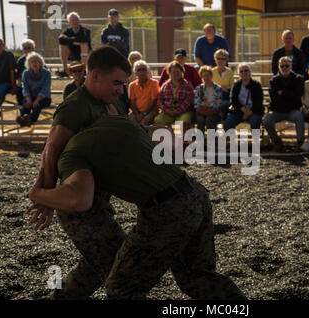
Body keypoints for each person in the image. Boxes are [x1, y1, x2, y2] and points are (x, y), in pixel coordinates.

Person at [27, 115, 247, 300]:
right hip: (195, 193)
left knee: (121, 287)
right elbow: (158, 131)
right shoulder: (116, 125)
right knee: (197, 277)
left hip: (168, 210)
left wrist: (37, 193)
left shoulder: (74, 154)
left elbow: (79, 200)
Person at [26, 46, 131, 299]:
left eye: (124, 84)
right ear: (94, 76)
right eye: (116, 82)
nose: (120, 89)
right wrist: (46, 195)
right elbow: (51, 151)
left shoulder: (110, 101)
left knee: (97, 265)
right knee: (120, 263)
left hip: (99, 199)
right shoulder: (75, 106)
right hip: (80, 204)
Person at [263, 57, 305, 152]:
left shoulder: (298, 79)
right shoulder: (273, 81)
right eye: (282, 66)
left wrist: (283, 92)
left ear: (291, 66)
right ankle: (277, 142)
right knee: (266, 120)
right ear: (278, 67)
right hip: (277, 111)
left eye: (287, 65)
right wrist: (290, 93)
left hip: (292, 111)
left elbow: (298, 95)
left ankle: (300, 143)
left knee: (299, 116)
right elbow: (274, 98)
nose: (284, 68)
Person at [154, 61, 195, 134]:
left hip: (183, 112)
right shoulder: (165, 85)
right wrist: (167, 110)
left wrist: (177, 111)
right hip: (168, 112)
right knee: (157, 121)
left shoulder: (187, 85)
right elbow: (160, 100)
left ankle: (182, 143)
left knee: (184, 122)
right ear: (169, 73)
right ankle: (168, 140)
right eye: (173, 72)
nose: (176, 74)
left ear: (182, 72)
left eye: (178, 71)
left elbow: (189, 100)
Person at [16, 52, 52, 126]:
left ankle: (31, 119)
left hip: (44, 97)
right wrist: (29, 99)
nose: (34, 63)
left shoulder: (47, 73)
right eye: (32, 62)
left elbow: (45, 88)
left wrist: (37, 100)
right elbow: (25, 87)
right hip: (30, 96)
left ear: (40, 62)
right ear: (29, 64)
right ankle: (23, 118)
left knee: (37, 105)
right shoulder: (25, 73)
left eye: (36, 61)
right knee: (26, 104)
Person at [225, 63, 264, 131]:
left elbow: (258, 102)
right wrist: (243, 110)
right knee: (229, 121)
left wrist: (249, 112)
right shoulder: (236, 85)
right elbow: (233, 100)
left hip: (253, 111)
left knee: (255, 121)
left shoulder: (256, 85)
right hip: (239, 111)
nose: (244, 73)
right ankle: (231, 140)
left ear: (250, 72)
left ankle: (255, 141)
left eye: (246, 70)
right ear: (239, 74)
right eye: (241, 71)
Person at [57, 12, 91, 77]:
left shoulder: (85, 30)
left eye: (76, 19)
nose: (75, 22)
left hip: (84, 55)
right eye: (73, 20)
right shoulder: (67, 31)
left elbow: (84, 39)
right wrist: (75, 41)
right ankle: (65, 70)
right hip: (72, 54)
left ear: (79, 21)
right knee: (62, 45)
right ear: (69, 22)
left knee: (83, 44)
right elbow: (61, 39)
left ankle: (84, 70)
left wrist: (70, 40)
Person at [128, 60, 160, 125]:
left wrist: (143, 114)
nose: (141, 72)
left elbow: (154, 101)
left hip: (151, 111)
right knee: (130, 121)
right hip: (137, 112)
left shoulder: (154, 83)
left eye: (144, 69)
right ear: (135, 72)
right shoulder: (132, 85)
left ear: (148, 71)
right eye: (139, 70)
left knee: (144, 121)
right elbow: (132, 102)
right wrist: (137, 114)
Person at [194, 66, 222, 133]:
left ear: (211, 75)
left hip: (214, 112)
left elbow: (219, 103)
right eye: (203, 76)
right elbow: (196, 103)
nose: (206, 78)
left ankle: (211, 139)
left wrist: (209, 104)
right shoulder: (199, 88)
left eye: (207, 75)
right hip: (202, 112)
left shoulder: (218, 88)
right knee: (200, 120)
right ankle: (200, 140)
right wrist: (211, 103)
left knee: (209, 120)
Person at [211, 49, 234, 120]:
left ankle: (223, 121)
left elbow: (232, 87)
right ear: (215, 59)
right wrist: (219, 87)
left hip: (226, 96)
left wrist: (226, 89)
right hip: (214, 96)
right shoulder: (211, 72)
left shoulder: (230, 72)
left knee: (225, 104)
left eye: (223, 59)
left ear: (226, 60)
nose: (220, 61)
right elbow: (207, 86)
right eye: (218, 58)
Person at [16, 39, 35, 105]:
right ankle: (22, 112)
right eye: (25, 48)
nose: (27, 50)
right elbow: (18, 74)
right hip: (24, 83)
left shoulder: (38, 58)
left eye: (29, 47)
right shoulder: (21, 60)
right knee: (19, 91)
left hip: (36, 82)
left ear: (33, 48)